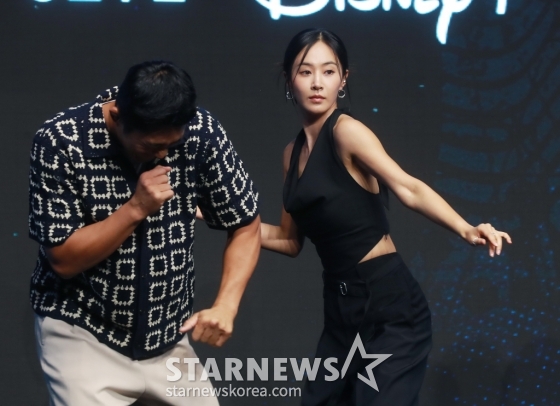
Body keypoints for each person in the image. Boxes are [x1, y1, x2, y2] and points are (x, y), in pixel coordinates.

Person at [259, 29, 512, 405]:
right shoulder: (290, 155)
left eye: (328, 71)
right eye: (305, 71)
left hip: (389, 306)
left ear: (343, 79)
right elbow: (289, 240)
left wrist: (466, 228)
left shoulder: (346, 132)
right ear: (289, 78)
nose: (317, 83)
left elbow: (408, 187)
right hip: (341, 308)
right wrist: (215, 216)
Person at [28, 60, 260, 405]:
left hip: (168, 338)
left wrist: (226, 306)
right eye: (151, 146)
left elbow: (245, 223)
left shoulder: (201, 132)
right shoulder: (61, 140)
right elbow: (63, 260)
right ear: (118, 117)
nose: (163, 154)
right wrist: (135, 208)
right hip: (84, 331)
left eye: (172, 144)